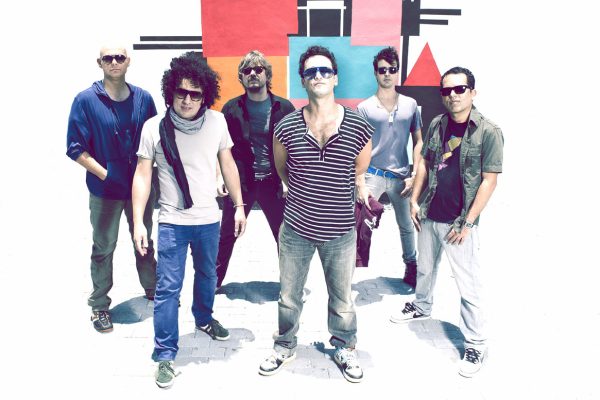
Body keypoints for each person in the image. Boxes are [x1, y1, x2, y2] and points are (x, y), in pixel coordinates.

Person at [258, 45, 373, 383]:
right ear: (303, 81)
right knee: (288, 297)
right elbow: (283, 170)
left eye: (325, 70)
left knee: (343, 300)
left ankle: (344, 346)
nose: (318, 76)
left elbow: (359, 169)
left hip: (340, 231)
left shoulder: (358, 126)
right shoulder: (286, 126)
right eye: (311, 72)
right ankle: (284, 345)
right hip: (296, 228)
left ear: (335, 78)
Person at [131, 52, 247, 388]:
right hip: (172, 222)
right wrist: (138, 222)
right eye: (181, 92)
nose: (187, 100)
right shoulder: (154, 128)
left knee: (208, 275)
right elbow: (142, 175)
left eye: (195, 94)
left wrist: (239, 205)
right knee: (168, 288)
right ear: (171, 91)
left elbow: (228, 164)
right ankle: (165, 354)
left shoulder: (217, 122)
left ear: (205, 95)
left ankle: (204, 318)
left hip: (209, 220)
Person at [390, 67, 504, 378]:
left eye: (459, 89)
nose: (453, 95)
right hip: (431, 213)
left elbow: (489, 181)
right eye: (447, 90)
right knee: (425, 268)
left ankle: (476, 343)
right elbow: (426, 163)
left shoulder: (488, 131)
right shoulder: (438, 124)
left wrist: (468, 223)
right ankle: (421, 305)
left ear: (472, 92)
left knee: (468, 285)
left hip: (459, 223)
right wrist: (414, 199)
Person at [66, 44, 158, 334]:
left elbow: (156, 141)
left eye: (120, 57)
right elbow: (75, 148)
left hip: (140, 187)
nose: (114, 62)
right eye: (108, 58)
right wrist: (107, 175)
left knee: (143, 240)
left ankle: (154, 289)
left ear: (128, 61)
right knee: (104, 247)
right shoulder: (85, 100)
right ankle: (99, 305)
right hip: (105, 190)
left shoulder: (144, 99)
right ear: (100, 63)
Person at [215, 50, 295, 288]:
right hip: (242, 182)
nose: (252, 74)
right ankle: (213, 283)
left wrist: (288, 179)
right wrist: (220, 176)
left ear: (267, 75)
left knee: (285, 236)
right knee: (227, 233)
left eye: (258, 69)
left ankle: (291, 285)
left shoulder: (284, 108)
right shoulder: (232, 109)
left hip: (274, 182)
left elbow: (294, 146)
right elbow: (220, 147)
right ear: (241, 77)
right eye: (247, 70)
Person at [356, 46, 422, 288]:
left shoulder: (410, 105)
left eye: (392, 69)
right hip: (372, 174)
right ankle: (348, 269)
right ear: (375, 73)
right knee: (359, 224)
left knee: (406, 225)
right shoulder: (364, 108)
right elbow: (357, 146)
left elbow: (419, 141)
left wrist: (414, 174)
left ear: (397, 73)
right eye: (382, 70)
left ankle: (411, 266)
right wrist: (360, 182)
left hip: (401, 177)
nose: (387, 74)